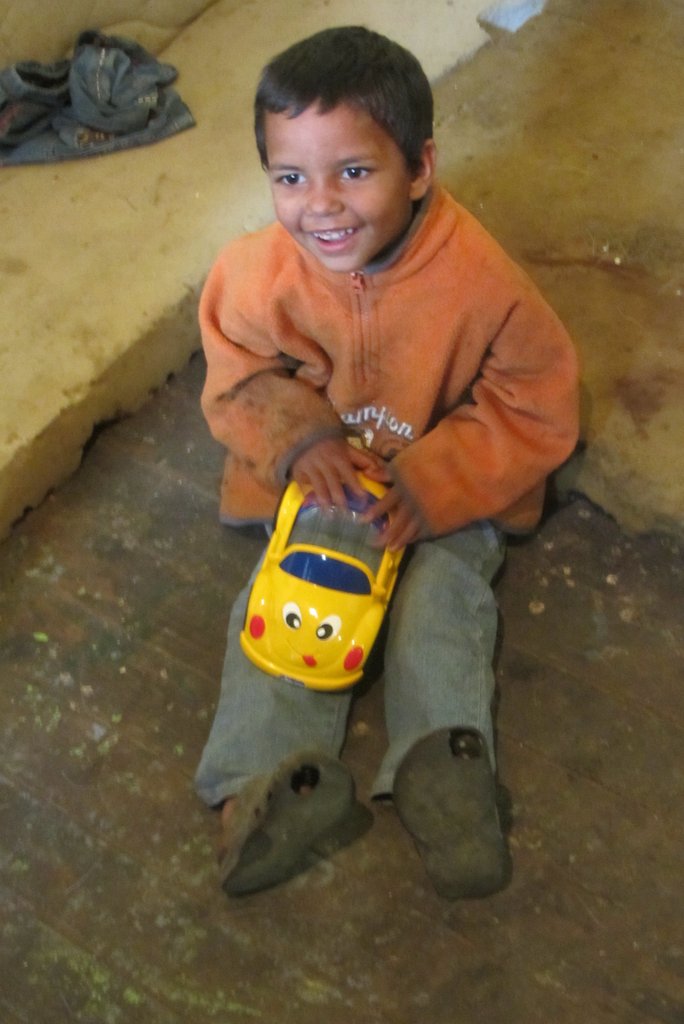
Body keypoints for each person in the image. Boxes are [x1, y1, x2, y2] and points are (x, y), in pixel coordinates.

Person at [194, 25, 579, 899]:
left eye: (354, 172)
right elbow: (237, 373)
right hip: (323, 487)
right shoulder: (254, 275)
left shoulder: (484, 283)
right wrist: (303, 440)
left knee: (441, 601)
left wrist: (434, 482)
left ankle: (442, 775)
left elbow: (535, 398)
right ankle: (265, 787)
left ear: (420, 167)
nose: (319, 206)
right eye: (290, 178)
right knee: (290, 597)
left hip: (446, 490)